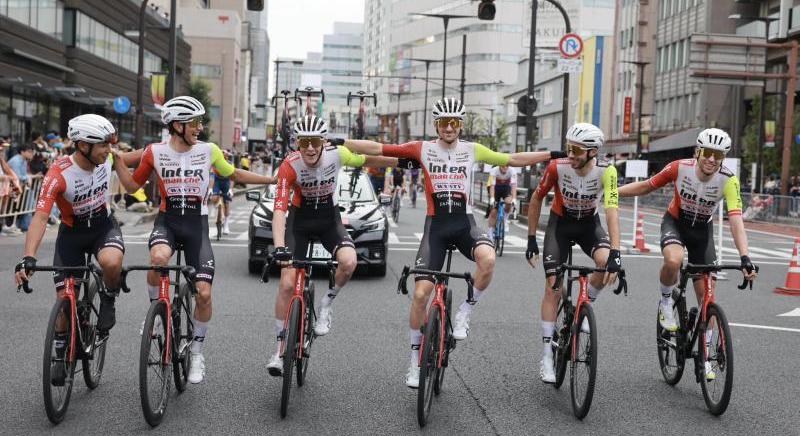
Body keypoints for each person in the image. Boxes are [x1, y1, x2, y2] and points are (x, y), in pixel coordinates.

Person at [340, 97, 561, 388]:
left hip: (463, 225)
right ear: (436, 125)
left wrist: (550, 154)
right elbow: (379, 149)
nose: (449, 128)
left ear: (461, 125)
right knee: (421, 295)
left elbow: (511, 159)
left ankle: (465, 310)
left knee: (489, 259)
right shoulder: (422, 148)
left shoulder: (472, 150)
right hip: (436, 228)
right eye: (444, 122)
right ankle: (415, 360)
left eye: (454, 122)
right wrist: (343, 141)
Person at [128, 96, 275, 384]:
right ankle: (155, 314)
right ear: (177, 125)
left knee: (204, 293)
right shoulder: (154, 152)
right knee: (157, 259)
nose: (200, 127)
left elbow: (233, 174)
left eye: (200, 122)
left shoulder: (209, 150)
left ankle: (196, 351)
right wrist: (103, 155)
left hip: (197, 225)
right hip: (167, 220)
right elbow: (132, 180)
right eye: (195, 122)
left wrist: (270, 180)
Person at [618, 128, 757, 380]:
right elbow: (647, 186)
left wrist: (745, 256)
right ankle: (666, 301)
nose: (712, 159)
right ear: (698, 152)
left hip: (702, 233)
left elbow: (736, 220)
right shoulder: (678, 167)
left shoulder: (729, 179)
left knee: (708, 296)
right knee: (674, 259)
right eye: (708, 153)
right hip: (675, 223)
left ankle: (705, 355)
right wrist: (614, 193)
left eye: (719, 155)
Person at [14, 115, 141, 388]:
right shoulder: (58, 174)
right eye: (102, 145)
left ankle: (108, 299)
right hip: (71, 234)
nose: (109, 149)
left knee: (111, 261)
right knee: (64, 296)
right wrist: (28, 258)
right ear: (82, 145)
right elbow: (39, 216)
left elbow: (141, 160)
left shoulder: (107, 158)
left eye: (110, 143)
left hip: (103, 228)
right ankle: (61, 350)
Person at [266, 115, 399, 376]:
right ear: (297, 143)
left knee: (349, 262)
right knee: (286, 283)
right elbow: (280, 209)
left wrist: (401, 161)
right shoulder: (289, 166)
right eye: (304, 142)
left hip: (329, 219)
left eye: (315, 141)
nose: (311, 148)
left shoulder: (337, 155)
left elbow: (368, 158)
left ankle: (326, 304)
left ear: (324, 141)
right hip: (299, 222)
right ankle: (279, 350)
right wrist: (280, 247)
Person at [524, 122, 621, 383]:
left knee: (604, 265)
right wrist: (531, 238)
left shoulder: (607, 172)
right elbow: (536, 198)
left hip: (590, 225)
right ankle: (546, 354)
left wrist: (616, 251)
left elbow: (612, 210)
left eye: (576, 149)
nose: (571, 154)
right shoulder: (558, 167)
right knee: (553, 286)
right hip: (560, 225)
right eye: (569, 148)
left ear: (592, 152)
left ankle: (585, 303)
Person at [8, 143, 40, 232]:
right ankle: (15, 225)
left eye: (32, 152)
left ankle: (24, 225)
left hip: (18, 187)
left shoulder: (24, 160)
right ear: (22, 152)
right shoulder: (16, 161)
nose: (31, 154)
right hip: (11, 187)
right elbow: (18, 176)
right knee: (12, 207)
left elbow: (24, 175)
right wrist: (30, 177)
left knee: (26, 204)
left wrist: (28, 177)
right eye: (29, 152)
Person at [486, 165, 518, 230]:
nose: (505, 168)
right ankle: (490, 233)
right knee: (494, 211)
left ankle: (505, 220)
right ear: (499, 166)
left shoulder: (512, 171)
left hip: (506, 188)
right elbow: (492, 186)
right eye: (503, 166)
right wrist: (492, 198)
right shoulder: (494, 170)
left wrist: (514, 199)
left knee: (509, 202)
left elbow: (513, 186)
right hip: (495, 188)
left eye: (507, 166)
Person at [210, 150, 234, 236]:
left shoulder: (230, 164)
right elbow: (212, 177)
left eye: (226, 157)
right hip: (217, 182)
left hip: (226, 182)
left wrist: (231, 189)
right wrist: (210, 189)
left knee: (226, 202)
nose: (224, 158)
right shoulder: (214, 164)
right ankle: (214, 205)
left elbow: (232, 178)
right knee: (214, 197)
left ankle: (226, 224)